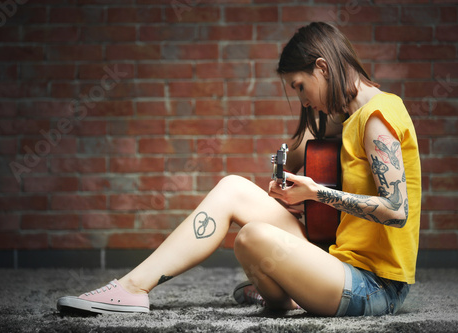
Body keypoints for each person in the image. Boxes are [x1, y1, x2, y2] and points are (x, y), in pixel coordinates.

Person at [57, 22, 421, 317]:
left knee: (252, 240)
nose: (301, 98)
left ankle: (282, 294)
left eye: (300, 87)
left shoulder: (377, 117)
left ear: (322, 67)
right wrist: (296, 188)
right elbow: (298, 160)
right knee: (232, 187)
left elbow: (397, 211)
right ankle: (131, 289)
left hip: (375, 287)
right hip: (338, 261)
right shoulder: (349, 118)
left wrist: (317, 193)